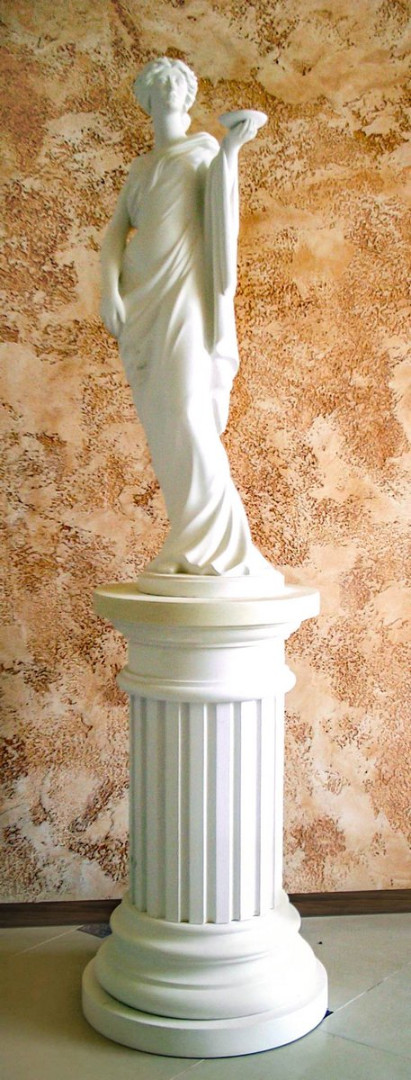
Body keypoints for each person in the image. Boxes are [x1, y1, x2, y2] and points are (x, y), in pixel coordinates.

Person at [100, 57, 277, 580]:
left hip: (185, 295)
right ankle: (186, 535)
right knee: (162, 422)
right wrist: (108, 291)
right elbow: (114, 236)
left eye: (177, 86)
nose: (170, 94)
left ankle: (223, 546)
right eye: (160, 87)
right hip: (142, 300)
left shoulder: (201, 152)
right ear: (147, 100)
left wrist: (230, 151)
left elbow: (220, 206)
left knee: (186, 411)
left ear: (189, 96)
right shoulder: (140, 169)